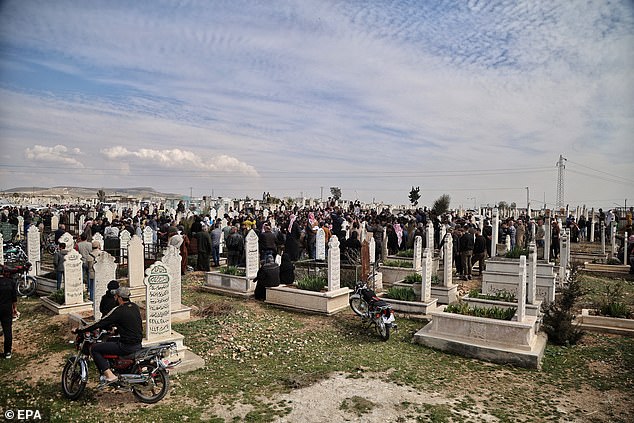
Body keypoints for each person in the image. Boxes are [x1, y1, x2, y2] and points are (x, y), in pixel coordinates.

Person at [76, 287, 143, 385]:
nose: (115, 298)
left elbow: (100, 322)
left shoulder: (119, 310)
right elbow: (128, 323)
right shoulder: (134, 307)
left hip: (126, 346)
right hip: (137, 343)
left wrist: (80, 330)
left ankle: (109, 375)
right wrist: (114, 330)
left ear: (119, 297)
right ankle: (116, 368)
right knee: (108, 340)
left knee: (95, 348)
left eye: (116, 296)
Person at [0, 267, 19, 358]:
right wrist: (14, 309)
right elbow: (14, 298)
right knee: (7, 331)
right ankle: (7, 352)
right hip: (7, 309)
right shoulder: (11, 283)